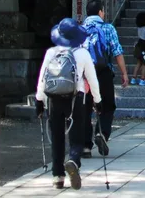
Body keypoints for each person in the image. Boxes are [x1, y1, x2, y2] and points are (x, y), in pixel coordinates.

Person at [35, 18, 102, 190]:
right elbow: (93, 80)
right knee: (77, 136)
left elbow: (43, 77)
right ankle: (73, 160)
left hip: (54, 98)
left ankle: (57, 176)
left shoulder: (51, 52)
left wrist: (39, 100)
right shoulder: (82, 53)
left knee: (57, 137)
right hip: (76, 98)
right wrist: (97, 100)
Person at [82, 0, 129, 159]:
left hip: (84, 75)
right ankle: (102, 133)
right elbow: (117, 52)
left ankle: (85, 147)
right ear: (101, 12)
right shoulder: (108, 28)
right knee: (107, 105)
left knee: (85, 108)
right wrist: (124, 73)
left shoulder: (81, 29)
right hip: (104, 72)